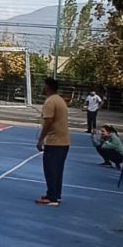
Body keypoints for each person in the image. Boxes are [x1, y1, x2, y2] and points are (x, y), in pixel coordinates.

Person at [36, 77, 70, 207]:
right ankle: (55, 194)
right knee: (57, 169)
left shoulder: (50, 102)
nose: (42, 87)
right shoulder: (59, 99)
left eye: (44, 85)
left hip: (55, 141)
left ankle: (52, 197)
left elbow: (48, 121)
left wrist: (41, 139)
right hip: (63, 141)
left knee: (50, 169)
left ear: (48, 87)